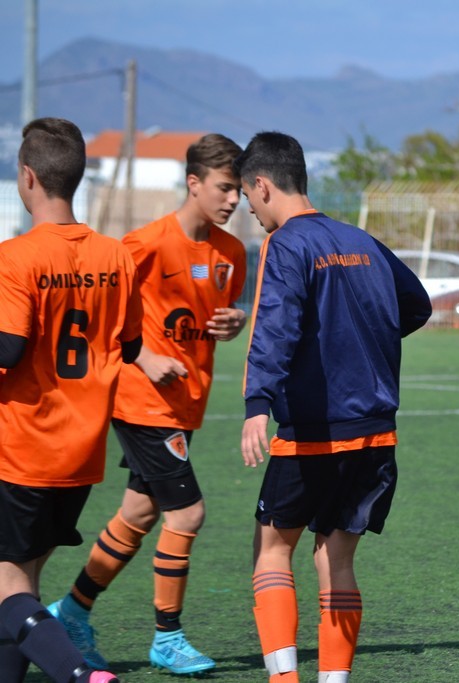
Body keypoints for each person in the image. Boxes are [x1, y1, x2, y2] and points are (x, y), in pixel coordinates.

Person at [47, 133, 249, 676]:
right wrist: (142, 357)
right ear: (194, 182)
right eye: (224, 187)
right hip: (143, 400)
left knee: (138, 512)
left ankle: (70, 611)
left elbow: (220, 313)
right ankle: (167, 636)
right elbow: (97, 311)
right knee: (188, 513)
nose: (233, 199)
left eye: (238, 190)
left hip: (186, 400)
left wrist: (236, 321)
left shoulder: (231, 252)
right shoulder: (145, 244)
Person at [236, 131, 432, 683]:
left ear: (263, 185)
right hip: (376, 435)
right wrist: (361, 338)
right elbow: (416, 304)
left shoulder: (286, 244)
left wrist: (257, 402)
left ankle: (284, 679)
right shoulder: (361, 240)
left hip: (314, 433)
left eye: (248, 197)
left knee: (272, 550)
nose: (250, 210)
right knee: (335, 559)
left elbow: (275, 326)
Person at [0, 117, 143, 683]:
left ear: (27, 176)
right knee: (23, 580)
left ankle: (79, 675)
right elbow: (131, 346)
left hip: (23, 446)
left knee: (7, 584)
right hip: (81, 452)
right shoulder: (116, 255)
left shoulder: (16, 257)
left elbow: (8, 349)